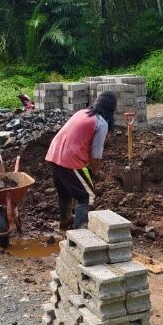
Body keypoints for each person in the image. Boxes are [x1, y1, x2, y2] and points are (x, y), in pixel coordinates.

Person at [45, 91, 116, 231]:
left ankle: (65, 222)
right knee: (87, 195)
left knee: (65, 192)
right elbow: (96, 153)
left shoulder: (82, 112)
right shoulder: (101, 122)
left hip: (54, 154)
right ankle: (81, 233)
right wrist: (95, 172)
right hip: (69, 159)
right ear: (111, 109)